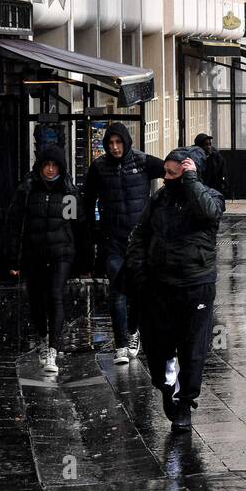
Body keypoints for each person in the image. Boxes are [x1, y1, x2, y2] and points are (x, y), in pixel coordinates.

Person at [125, 146, 225, 433]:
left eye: (172, 172)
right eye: (164, 172)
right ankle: (167, 385)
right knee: (159, 346)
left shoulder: (210, 197)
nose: (165, 177)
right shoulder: (160, 199)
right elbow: (139, 234)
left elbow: (208, 213)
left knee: (193, 348)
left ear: (189, 172)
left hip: (197, 285)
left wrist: (192, 180)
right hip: (160, 286)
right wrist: (139, 272)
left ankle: (184, 402)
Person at [82, 122, 165, 366]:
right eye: (110, 143)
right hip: (112, 240)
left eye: (118, 142)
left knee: (138, 291)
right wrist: (93, 235)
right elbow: (87, 201)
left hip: (139, 240)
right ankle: (120, 344)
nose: (115, 147)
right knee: (117, 292)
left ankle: (132, 332)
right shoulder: (99, 167)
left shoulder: (142, 161)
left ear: (126, 142)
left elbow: (170, 170)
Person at [3, 145, 82, 375]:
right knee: (37, 300)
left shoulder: (68, 192)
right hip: (34, 253)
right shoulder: (27, 190)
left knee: (56, 296)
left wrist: (83, 261)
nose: (49, 170)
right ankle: (44, 337)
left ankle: (53, 350)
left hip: (61, 254)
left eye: (54, 165)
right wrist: (12, 259)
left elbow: (77, 226)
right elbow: (14, 224)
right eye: (46, 165)